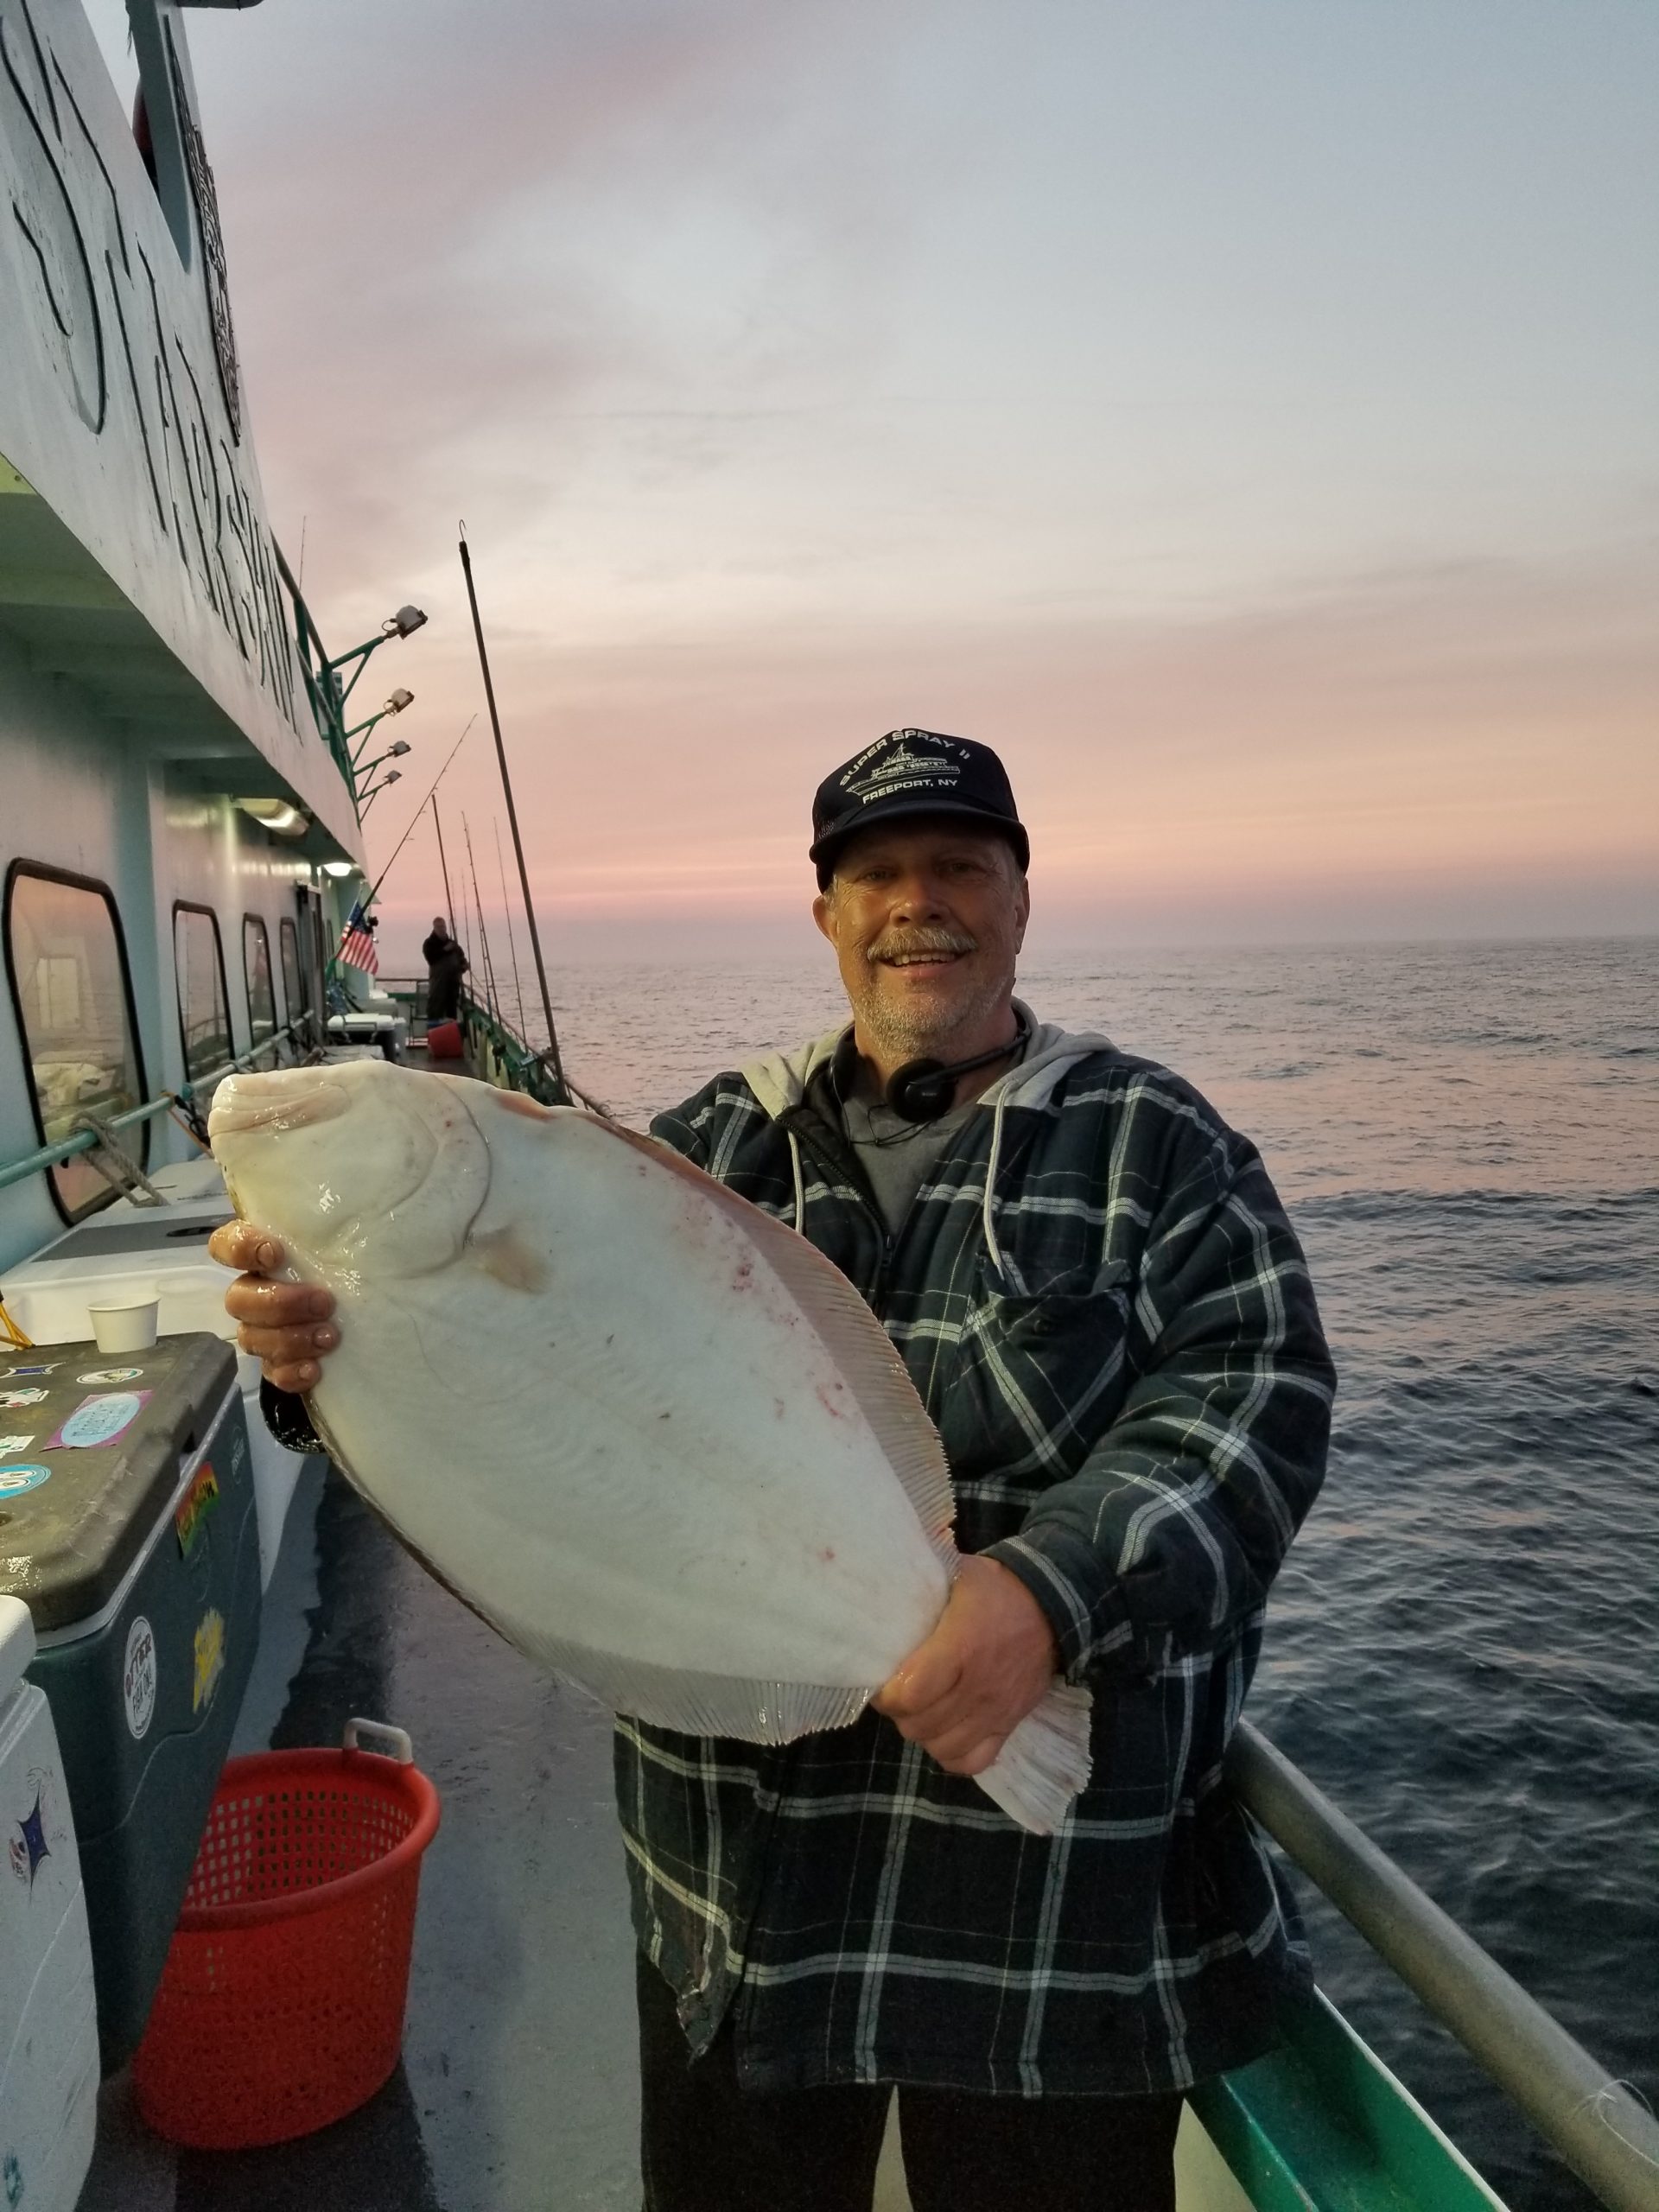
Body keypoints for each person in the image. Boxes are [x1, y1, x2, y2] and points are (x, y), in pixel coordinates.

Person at [213, 728, 1335, 2212]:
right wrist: (318, 1373)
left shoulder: (1158, 1143)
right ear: (824, 915)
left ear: (1018, 896)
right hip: (739, 1906)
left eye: (955, 868)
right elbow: (508, 1422)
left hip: (1046, 1929)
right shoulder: (711, 1144)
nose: (914, 905)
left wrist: (1048, 1598)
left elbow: (1259, 1391)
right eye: (874, 875)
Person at [422, 914, 467, 1023]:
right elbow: (430, 958)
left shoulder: (453, 945)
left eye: (443, 926)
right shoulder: (429, 944)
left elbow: (461, 959)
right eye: (439, 927)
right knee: (435, 1011)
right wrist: (444, 950)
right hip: (438, 985)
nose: (441, 929)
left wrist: (464, 966)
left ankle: (451, 1034)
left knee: (451, 1013)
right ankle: (434, 1034)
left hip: (453, 986)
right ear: (434, 928)